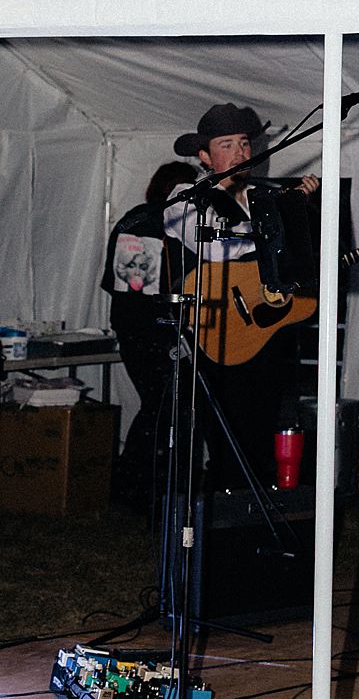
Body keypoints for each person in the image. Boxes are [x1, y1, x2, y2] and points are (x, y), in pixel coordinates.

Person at [162, 102, 320, 489]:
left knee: (263, 425)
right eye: (227, 144)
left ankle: (256, 512)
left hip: (259, 329)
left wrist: (297, 211)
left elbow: (292, 264)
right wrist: (273, 222)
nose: (241, 153)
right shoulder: (187, 197)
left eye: (245, 143)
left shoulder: (259, 198)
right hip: (215, 332)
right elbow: (220, 250)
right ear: (204, 155)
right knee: (228, 435)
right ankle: (225, 515)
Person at [101, 159, 197, 507]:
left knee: (157, 405)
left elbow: (115, 283)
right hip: (159, 329)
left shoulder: (131, 218)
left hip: (130, 327)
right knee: (165, 406)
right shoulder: (174, 223)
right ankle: (137, 487)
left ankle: (136, 485)